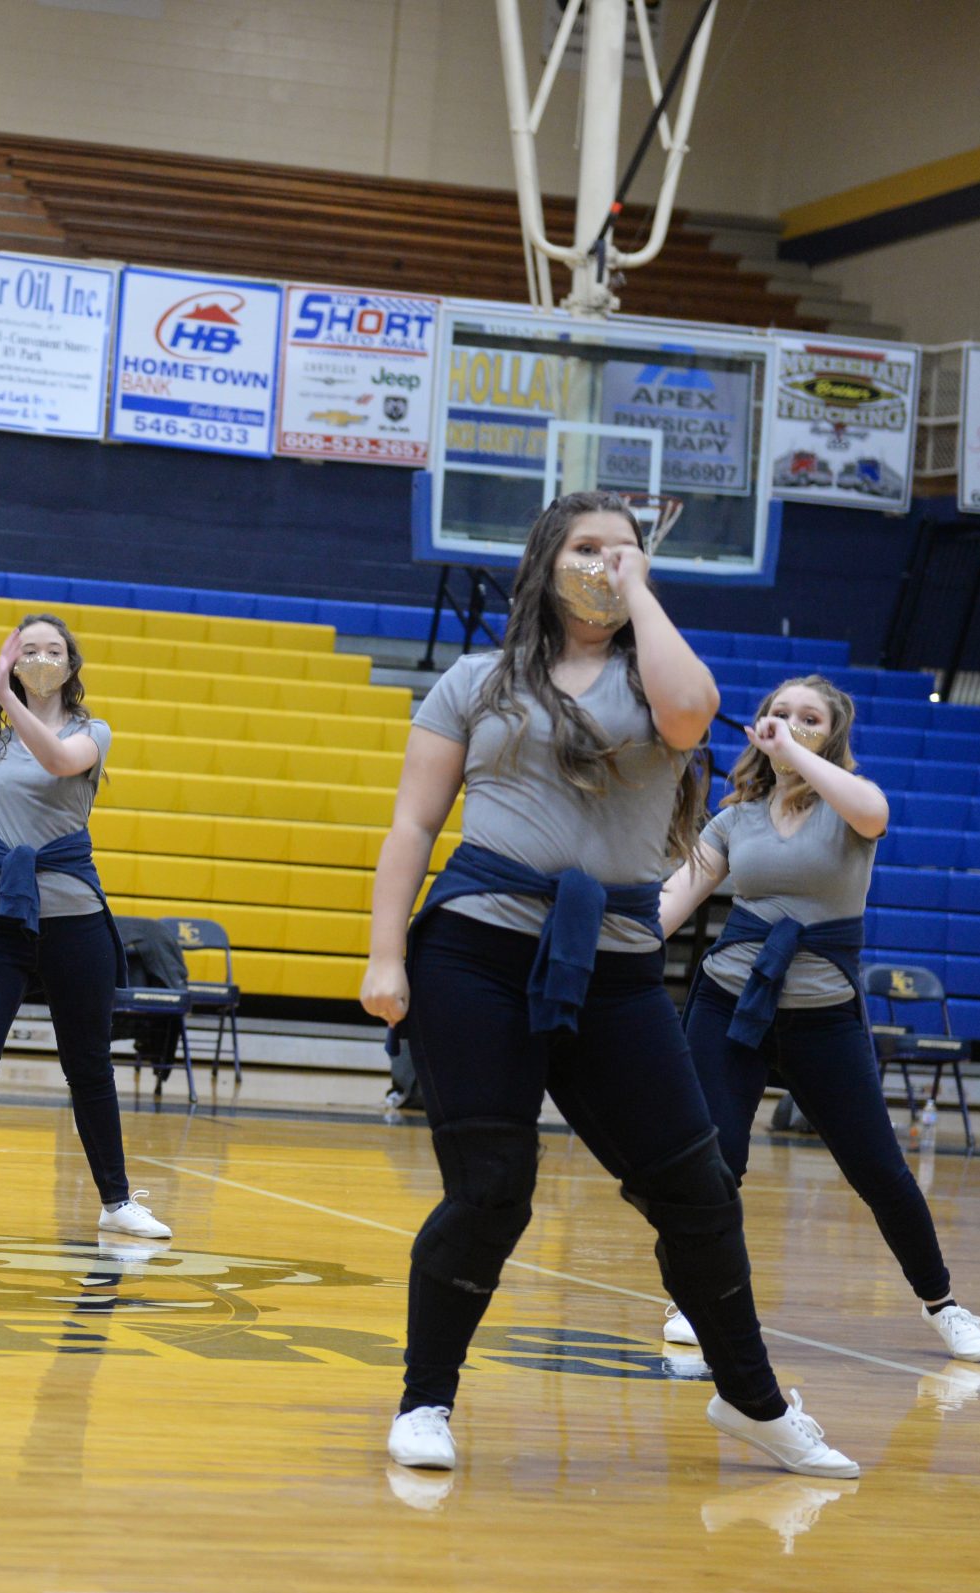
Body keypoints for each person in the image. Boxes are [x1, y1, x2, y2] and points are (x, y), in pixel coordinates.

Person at [359, 491, 853, 1479]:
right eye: (585, 547)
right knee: (491, 1189)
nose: (603, 563)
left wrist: (639, 593)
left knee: (698, 1191)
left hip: (617, 964)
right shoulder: (474, 680)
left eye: (623, 551)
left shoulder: (656, 678)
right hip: (474, 952)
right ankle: (425, 1399)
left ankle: (752, 1401)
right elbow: (413, 822)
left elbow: (691, 711)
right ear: (545, 561)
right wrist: (385, 955)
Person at [659, 675, 980, 1363]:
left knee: (879, 1170)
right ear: (758, 727)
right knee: (714, 1162)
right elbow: (671, 901)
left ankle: (943, 1301)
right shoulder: (734, 819)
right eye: (778, 712)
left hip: (823, 1013)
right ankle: (697, 1295)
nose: (790, 723)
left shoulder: (849, 804)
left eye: (809, 717)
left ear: (833, 736)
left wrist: (796, 754)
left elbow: (874, 811)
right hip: (729, 1001)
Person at [0, 615, 170, 1241]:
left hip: (75, 919)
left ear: (71, 666)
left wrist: (5, 700)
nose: (42, 659)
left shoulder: (92, 732)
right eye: (30, 650)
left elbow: (56, 759)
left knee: (89, 1065)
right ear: (14, 664)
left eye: (54, 650)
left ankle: (116, 1201)